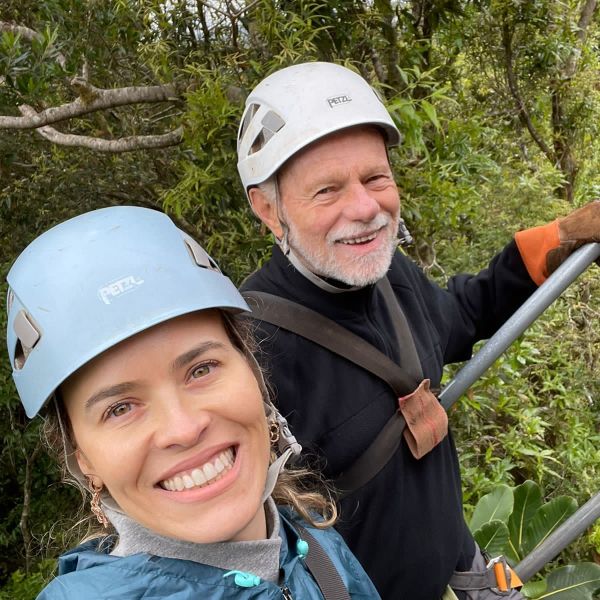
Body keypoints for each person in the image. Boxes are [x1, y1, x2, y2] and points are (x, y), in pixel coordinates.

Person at [236, 61, 600, 600]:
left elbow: (462, 317)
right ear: (269, 209)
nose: (365, 209)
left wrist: (555, 239)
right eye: (327, 190)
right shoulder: (251, 352)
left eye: (375, 178)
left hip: (457, 571)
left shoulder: (390, 281)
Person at [5, 205, 381, 599]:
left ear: (254, 375)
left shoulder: (313, 543)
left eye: (201, 370)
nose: (183, 429)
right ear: (84, 459)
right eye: (120, 408)